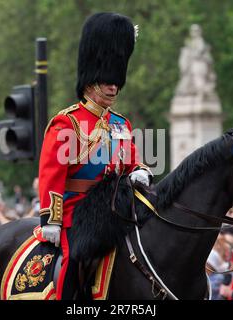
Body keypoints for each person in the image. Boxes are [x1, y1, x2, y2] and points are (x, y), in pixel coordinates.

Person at [38, 12, 152, 300]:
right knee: (73, 259)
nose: (114, 87)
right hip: (77, 211)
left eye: (117, 82)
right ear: (90, 80)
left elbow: (131, 160)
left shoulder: (121, 123)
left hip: (117, 207)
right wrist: (51, 219)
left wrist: (139, 170)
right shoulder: (68, 123)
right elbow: (51, 175)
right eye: (107, 81)